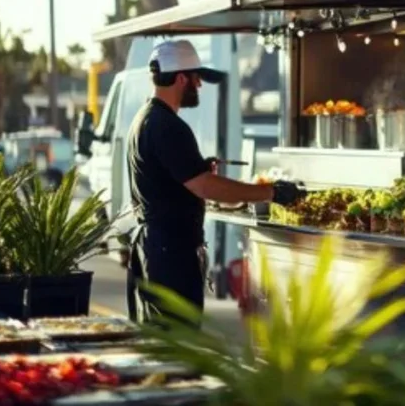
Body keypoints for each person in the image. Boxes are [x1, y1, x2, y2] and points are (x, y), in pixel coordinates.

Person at [126, 39, 301, 326]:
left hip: (157, 248)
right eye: (196, 78)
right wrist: (271, 192)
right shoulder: (168, 126)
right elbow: (205, 187)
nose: (200, 86)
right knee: (177, 340)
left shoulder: (145, 119)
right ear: (181, 78)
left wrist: (201, 170)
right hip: (170, 253)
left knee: (162, 340)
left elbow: (187, 180)